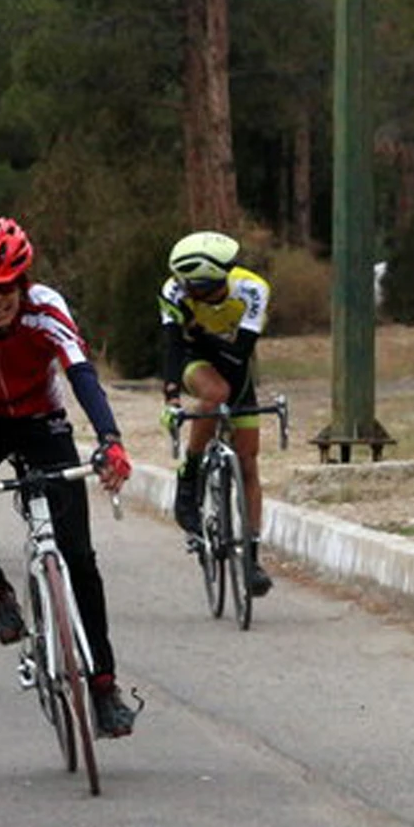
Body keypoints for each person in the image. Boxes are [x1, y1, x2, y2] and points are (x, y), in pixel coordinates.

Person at [0, 215, 139, 737]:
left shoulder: (46, 307)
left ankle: (104, 687)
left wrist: (111, 441)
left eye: (5, 288)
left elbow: (82, 376)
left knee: (80, 558)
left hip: (42, 424)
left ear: (22, 281)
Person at [158, 228, 273, 595]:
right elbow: (174, 348)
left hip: (238, 365)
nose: (188, 294)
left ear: (216, 281)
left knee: (250, 462)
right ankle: (189, 477)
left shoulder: (252, 290)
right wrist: (172, 399)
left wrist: (198, 330)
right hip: (198, 363)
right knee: (215, 393)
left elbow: (239, 354)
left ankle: (251, 559)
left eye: (196, 289)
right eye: (185, 287)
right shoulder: (173, 292)